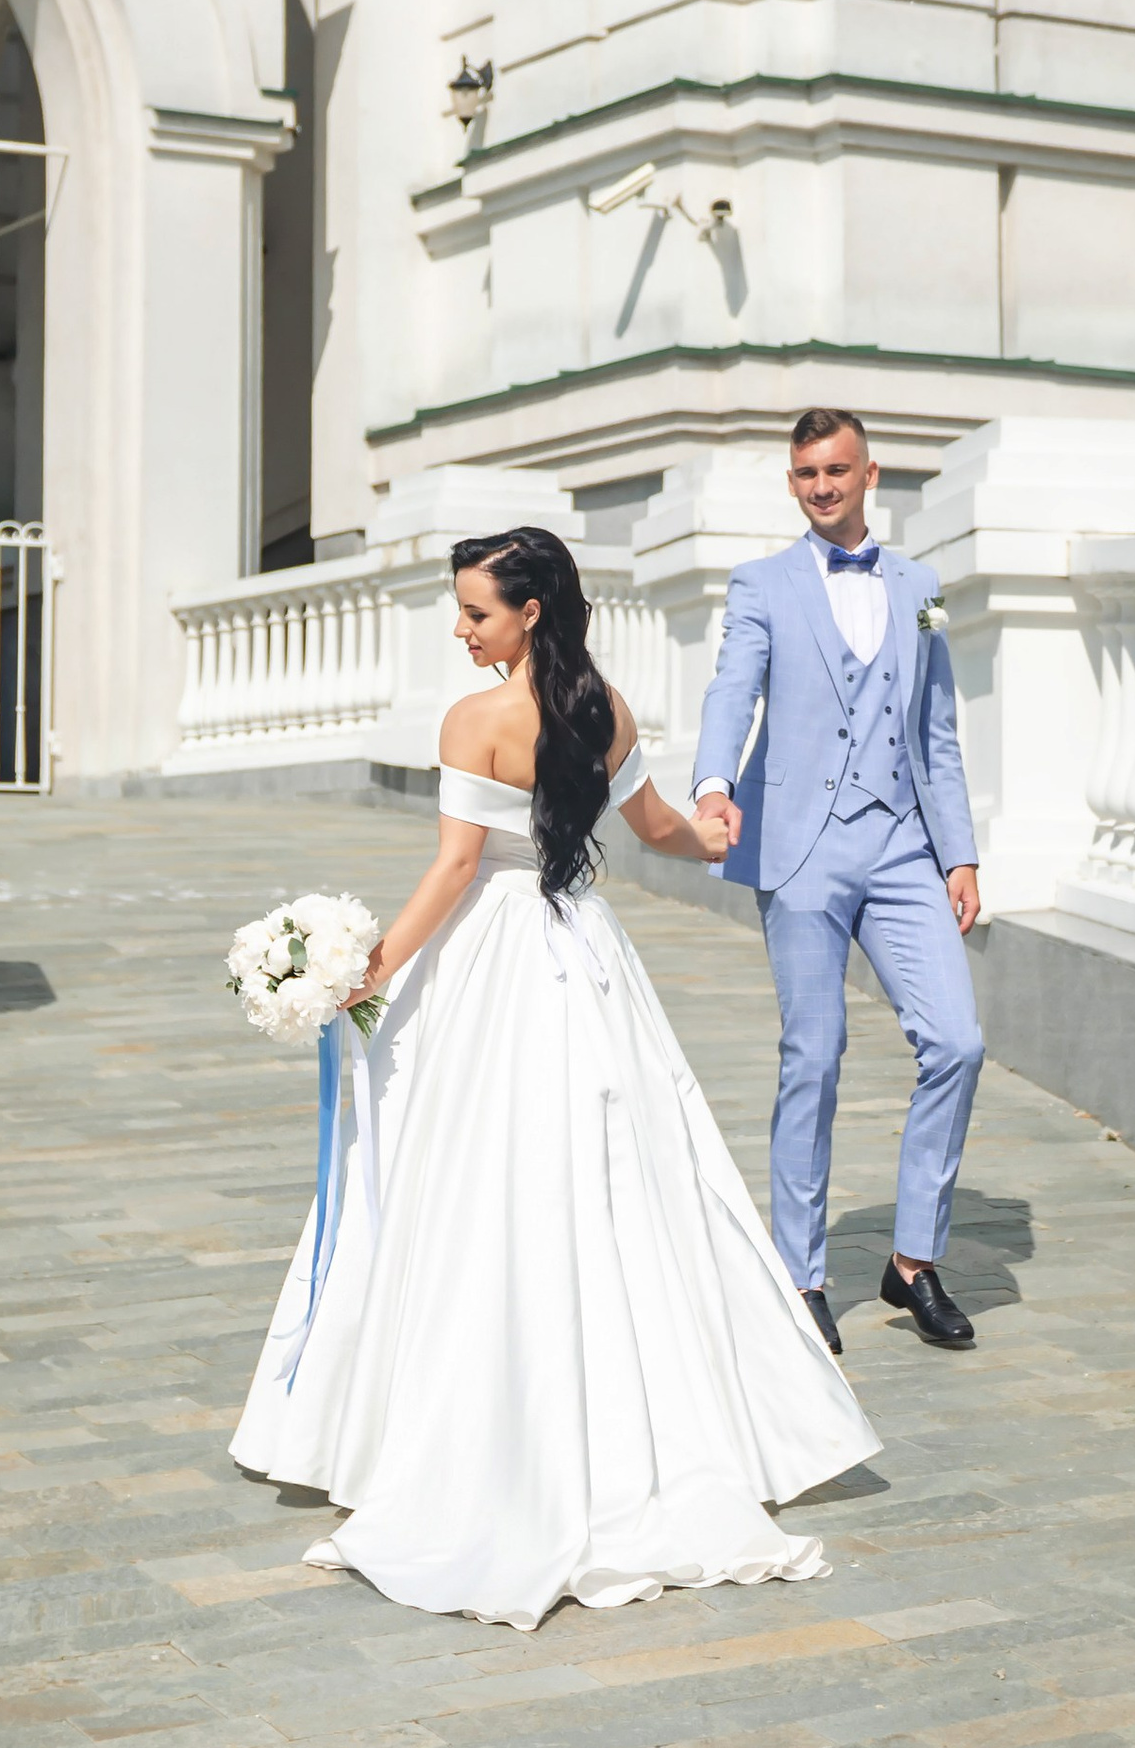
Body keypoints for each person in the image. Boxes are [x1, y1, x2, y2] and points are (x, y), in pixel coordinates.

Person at [232, 525, 880, 1630]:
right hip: (581, 954)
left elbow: (451, 869)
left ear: (530, 611)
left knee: (456, 1178)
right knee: (617, 1178)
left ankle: (438, 1437)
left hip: (489, 958)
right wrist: (716, 834)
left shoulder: (474, 720)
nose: (460, 626)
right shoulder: (604, 709)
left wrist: (363, 974)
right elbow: (659, 827)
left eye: (476, 611)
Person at [693, 408, 985, 1354]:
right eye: (806, 472)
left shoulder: (922, 588)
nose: (821, 485)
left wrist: (960, 852)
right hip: (804, 845)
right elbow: (732, 687)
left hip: (903, 844)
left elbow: (936, 728)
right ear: (794, 481)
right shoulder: (762, 584)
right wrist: (713, 783)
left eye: (836, 469)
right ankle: (801, 1274)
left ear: (870, 474)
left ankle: (912, 1265)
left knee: (958, 1039)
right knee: (813, 1056)